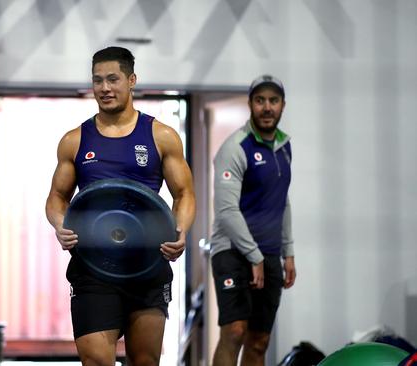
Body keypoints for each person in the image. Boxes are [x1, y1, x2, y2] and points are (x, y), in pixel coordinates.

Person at [45, 46, 196, 365]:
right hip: (93, 268)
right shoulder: (75, 140)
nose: (104, 88)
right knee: (97, 361)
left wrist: (179, 231)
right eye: (97, 80)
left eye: (113, 79)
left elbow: (184, 193)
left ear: (131, 81)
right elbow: (57, 198)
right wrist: (60, 225)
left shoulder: (161, 136)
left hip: (147, 265)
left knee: (145, 361)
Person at [210, 74, 297, 366]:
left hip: (270, 254)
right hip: (232, 252)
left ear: (283, 105)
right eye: (260, 100)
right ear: (250, 104)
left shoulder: (284, 147)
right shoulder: (235, 146)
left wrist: (289, 252)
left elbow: (281, 201)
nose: (267, 107)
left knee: (259, 341)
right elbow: (226, 210)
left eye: (273, 101)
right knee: (235, 332)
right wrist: (253, 255)